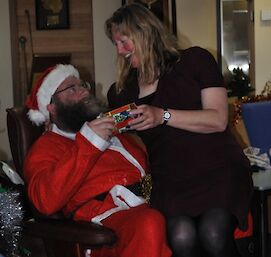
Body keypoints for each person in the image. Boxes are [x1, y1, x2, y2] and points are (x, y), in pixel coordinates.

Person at [105, 3, 253, 257]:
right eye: (115, 44)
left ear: (144, 32)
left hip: (217, 172)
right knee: (181, 236)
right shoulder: (121, 92)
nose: (119, 51)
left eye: (123, 41)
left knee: (213, 233)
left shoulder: (195, 60)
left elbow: (218, 119)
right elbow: (121, 139)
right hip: (171, 182)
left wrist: (161, 115)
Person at [23, 64, 172, 257]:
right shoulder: (47, 147)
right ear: (51, 107)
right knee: (150, 223)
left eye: (82, 85)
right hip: (106, 222)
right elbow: (43, 200)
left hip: (152, 202)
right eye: (72, 88)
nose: (84, 90)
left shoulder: (112, 128)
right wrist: (90, 142)